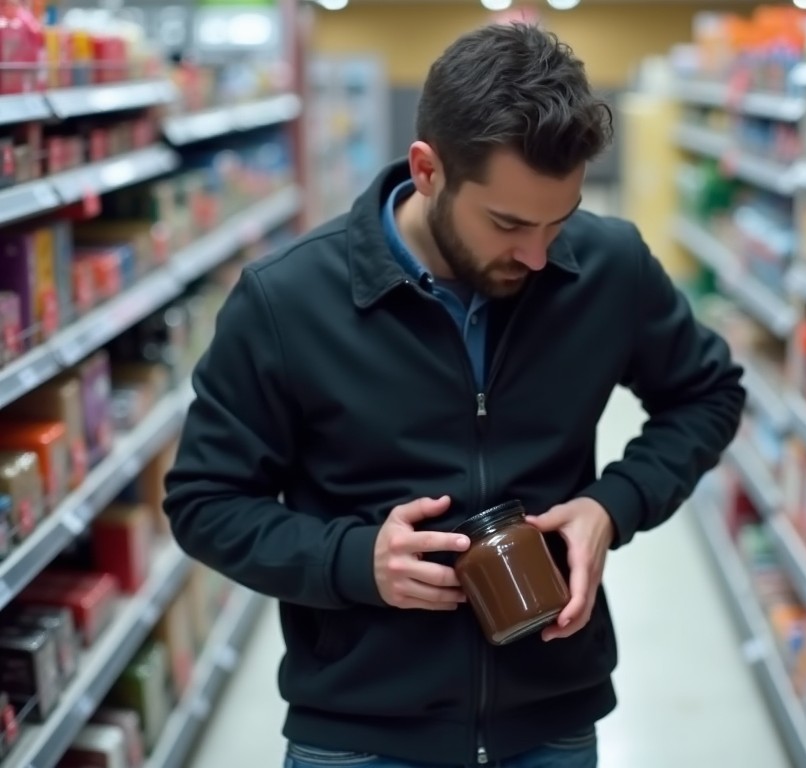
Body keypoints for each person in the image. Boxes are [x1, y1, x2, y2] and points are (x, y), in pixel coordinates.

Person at [163, 21, 745, 768]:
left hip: (551, 719)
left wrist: (613, 505)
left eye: (557, 220)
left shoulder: (607, 266)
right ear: (428, 169)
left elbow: (707, 392)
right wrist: (353, 560)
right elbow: (206, 502)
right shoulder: (289, 303)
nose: (539, 255)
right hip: (360, 733)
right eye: (507, 223)